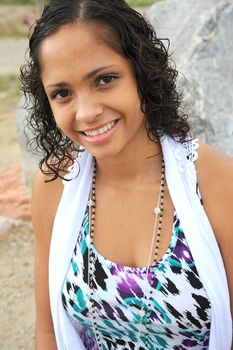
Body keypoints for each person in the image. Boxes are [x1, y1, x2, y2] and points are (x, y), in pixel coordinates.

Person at [20, 0, 233, 349]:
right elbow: (48, 333)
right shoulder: (54, 185)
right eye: (62, 93)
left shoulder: (219, 184)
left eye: (105, 79)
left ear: (141, 71)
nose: (86, 112)